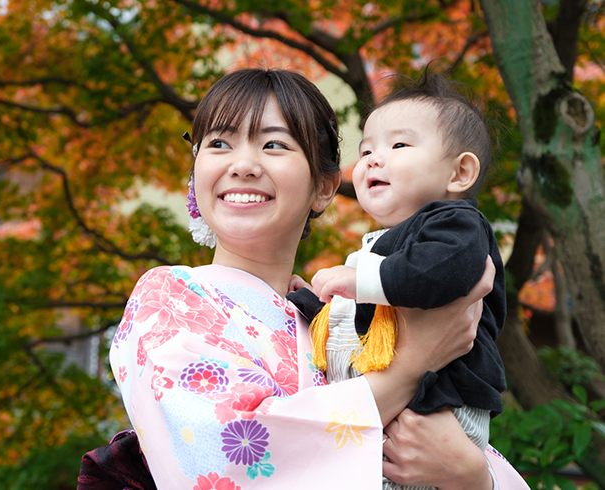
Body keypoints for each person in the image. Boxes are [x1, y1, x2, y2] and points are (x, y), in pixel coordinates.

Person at [80, 68, 527, 489]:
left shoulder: (344, 313)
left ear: (325, 186)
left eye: (274, 145)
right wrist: (410, 368)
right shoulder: (171, 296)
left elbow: (454, 436)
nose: (243, 164)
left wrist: (474, 478)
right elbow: (227, 451)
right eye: (218, 144)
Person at [290, 73, 507, 490]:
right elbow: (368, 319)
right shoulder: (389, 245)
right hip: (405, 397)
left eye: (399, 145)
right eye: (367, 149)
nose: (372, 158)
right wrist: (313, 301)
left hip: (441, 404)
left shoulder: (457, 225)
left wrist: (358, 278)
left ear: (459, 173)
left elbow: (439, 273)